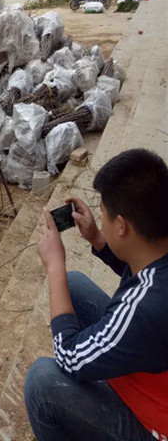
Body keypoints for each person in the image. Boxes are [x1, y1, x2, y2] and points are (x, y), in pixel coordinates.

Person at [25, 148, 168, 441]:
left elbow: (68, 357)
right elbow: (137, 264)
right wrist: (97, 238)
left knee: (42, 381)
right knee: (74, 284)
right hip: (156, 369)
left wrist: (55, 266)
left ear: (121, 226)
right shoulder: (158, 254)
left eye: (103, 215)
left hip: (155, 422)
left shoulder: (143, 307)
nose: (100, 220)